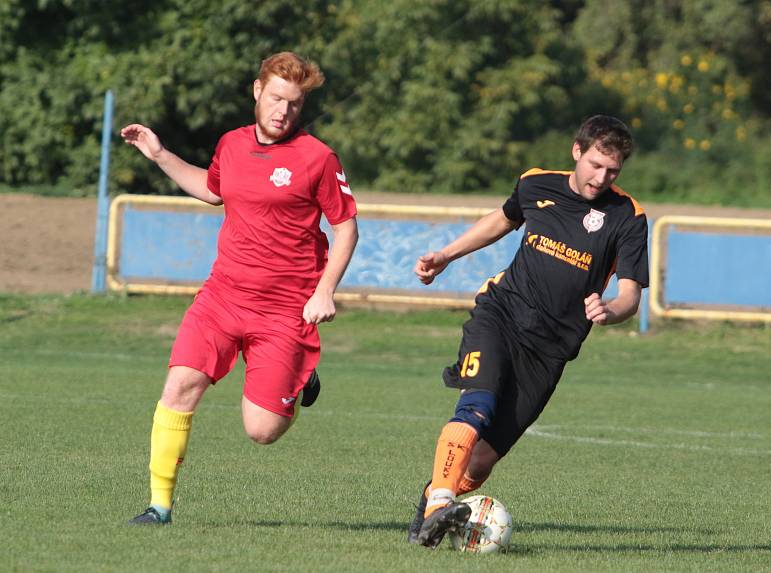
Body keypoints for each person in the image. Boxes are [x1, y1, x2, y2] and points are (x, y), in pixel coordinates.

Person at [121, 52, 358, 525]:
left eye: (293, 104)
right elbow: (213, 191)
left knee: (262, 430)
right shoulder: (230, 144)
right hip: (222, 297)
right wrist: (160, 154)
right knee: (180, 385)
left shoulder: (317, 157)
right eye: (275, 99)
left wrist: (324, 290)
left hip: (285, 309)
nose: (282, 111)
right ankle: (158, 506)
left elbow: (346, 227)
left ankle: (299, 378)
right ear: (257, 91)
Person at [406, 115, 649, 548]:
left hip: (549, 351)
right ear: (577, 151)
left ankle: (431, 500)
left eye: (612, 171)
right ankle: (440, 502)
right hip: (500, 315)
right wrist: (447, 254)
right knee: (476, 404)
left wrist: (612, 311)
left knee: (479, 465)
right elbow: (502, 219)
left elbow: (630, 294)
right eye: (595, 164)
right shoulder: (537, 184)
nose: (601, 177)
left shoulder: (627, 217)